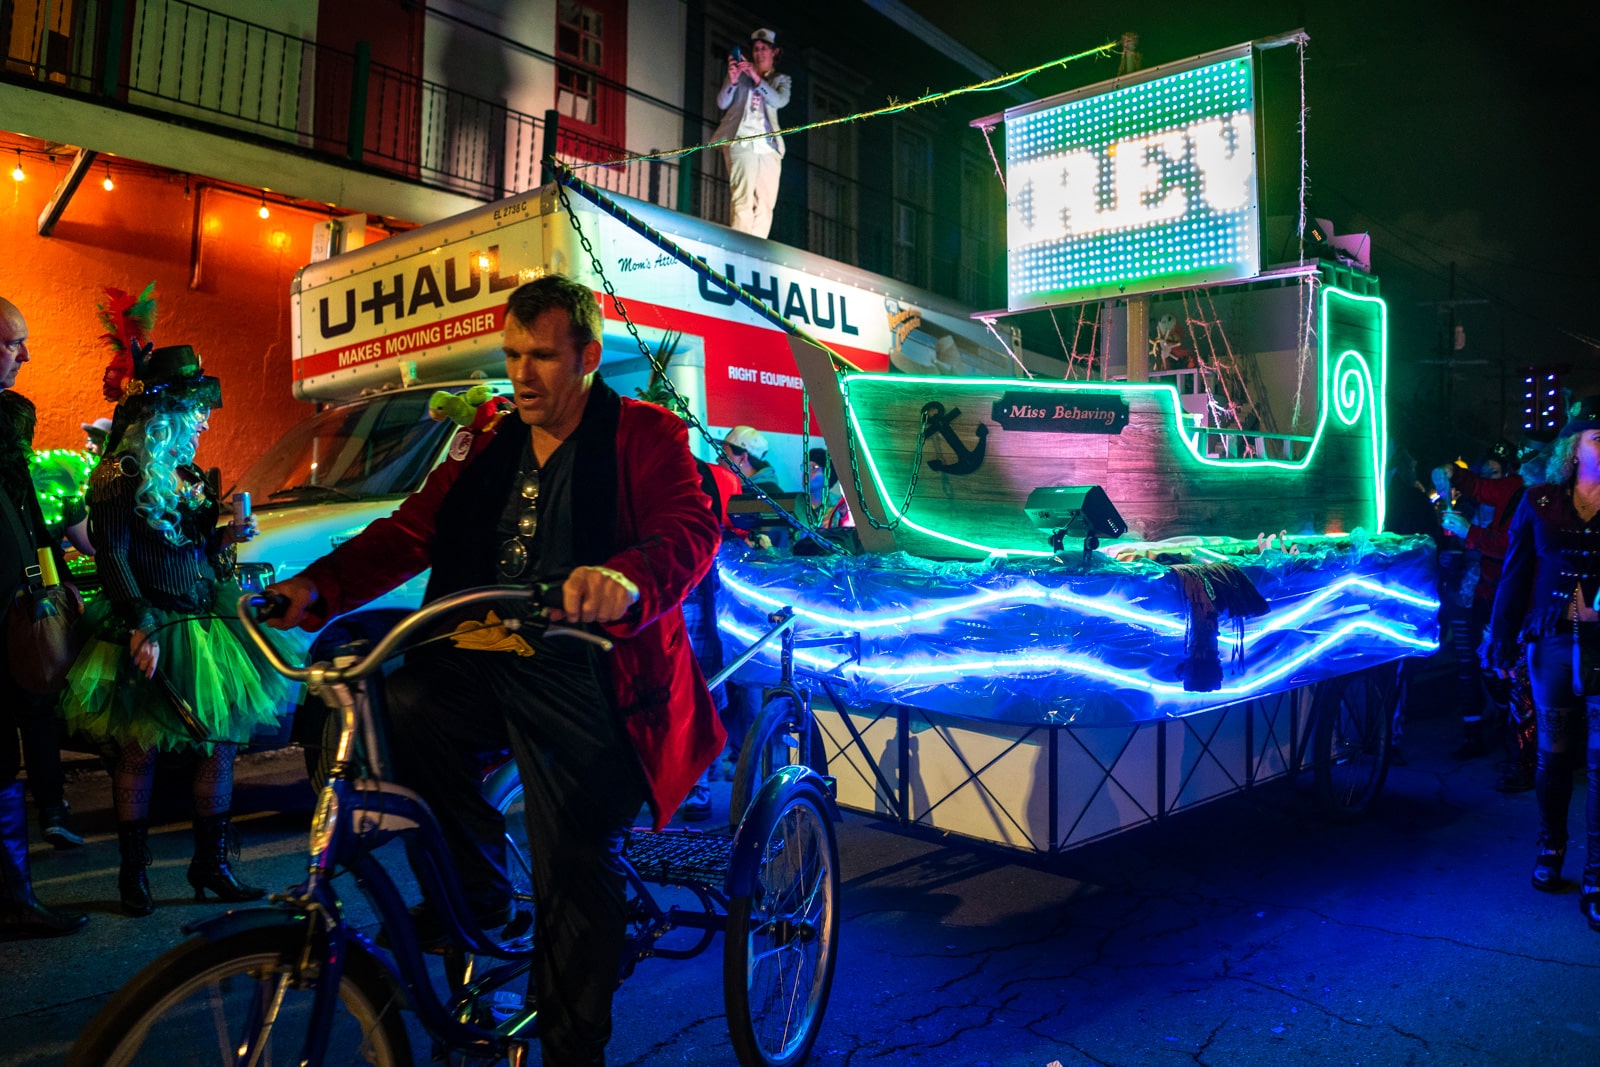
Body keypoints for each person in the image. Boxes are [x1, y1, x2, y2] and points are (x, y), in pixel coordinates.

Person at [265, 275, 724, 1066]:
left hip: (593, 676)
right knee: (400, 700)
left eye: (541, 356)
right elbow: (411, 531)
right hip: (484, 653)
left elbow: (690, 525)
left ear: (587, 355)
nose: (521, 374)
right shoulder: (486, 440)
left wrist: (623, 579)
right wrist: (319, 587)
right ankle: (475, 897)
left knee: (574, 864)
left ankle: (573, 1050)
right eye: (512, 354)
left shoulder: (643, 435)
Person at [60, 338, 304, 917]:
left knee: (219, 745)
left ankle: (211, 865)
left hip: (203, 615)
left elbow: (190, 543)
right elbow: (112, 555)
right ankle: (133, 875)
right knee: (140, 748)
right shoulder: (119, 474)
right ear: (160, 416)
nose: (200, 422)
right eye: (191, 411)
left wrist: (222, 538)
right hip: (152, 618)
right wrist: (140, 621)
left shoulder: (188, 471)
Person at [1485, 395, 1600, 934]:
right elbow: (1515, 571)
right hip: (1550, 641)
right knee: (1554, 753)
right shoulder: (1540, 498)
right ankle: (1552, 847)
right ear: (1573, 447)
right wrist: (1499, 637)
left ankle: (1598, 875)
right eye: (1598, 436)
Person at [0, 296, 88, 939]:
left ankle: (14, 896)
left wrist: (52, 582)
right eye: (13, 342)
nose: (25, 356)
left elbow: (29, 515)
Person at [1436, 443, 1525, 762]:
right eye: (1485, 473)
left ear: (1508, 475)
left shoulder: (1517, 501)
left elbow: (1511, 548)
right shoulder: (1470, 506)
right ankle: (1472, 735)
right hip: (1464, 594)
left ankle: (1508, 724)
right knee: (1465, 665)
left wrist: (1470, 534)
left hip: (1496, 595)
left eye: (1495, 473)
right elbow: (1451, 545)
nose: (1490, 480)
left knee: (1494, 667)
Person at [711, 28, 790, 239]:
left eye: (764, 48)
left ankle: (757, 248)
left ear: (774, 52)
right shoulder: (739, 74)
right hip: (741, 141)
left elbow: (779, 101)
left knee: (765, 204)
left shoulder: (781, 79)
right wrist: (734, 80)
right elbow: (722, 102)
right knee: (742, 198)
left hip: (768, 146)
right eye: (756, 49)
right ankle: (740, 245)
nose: (759, 52)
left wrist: (756, 78)